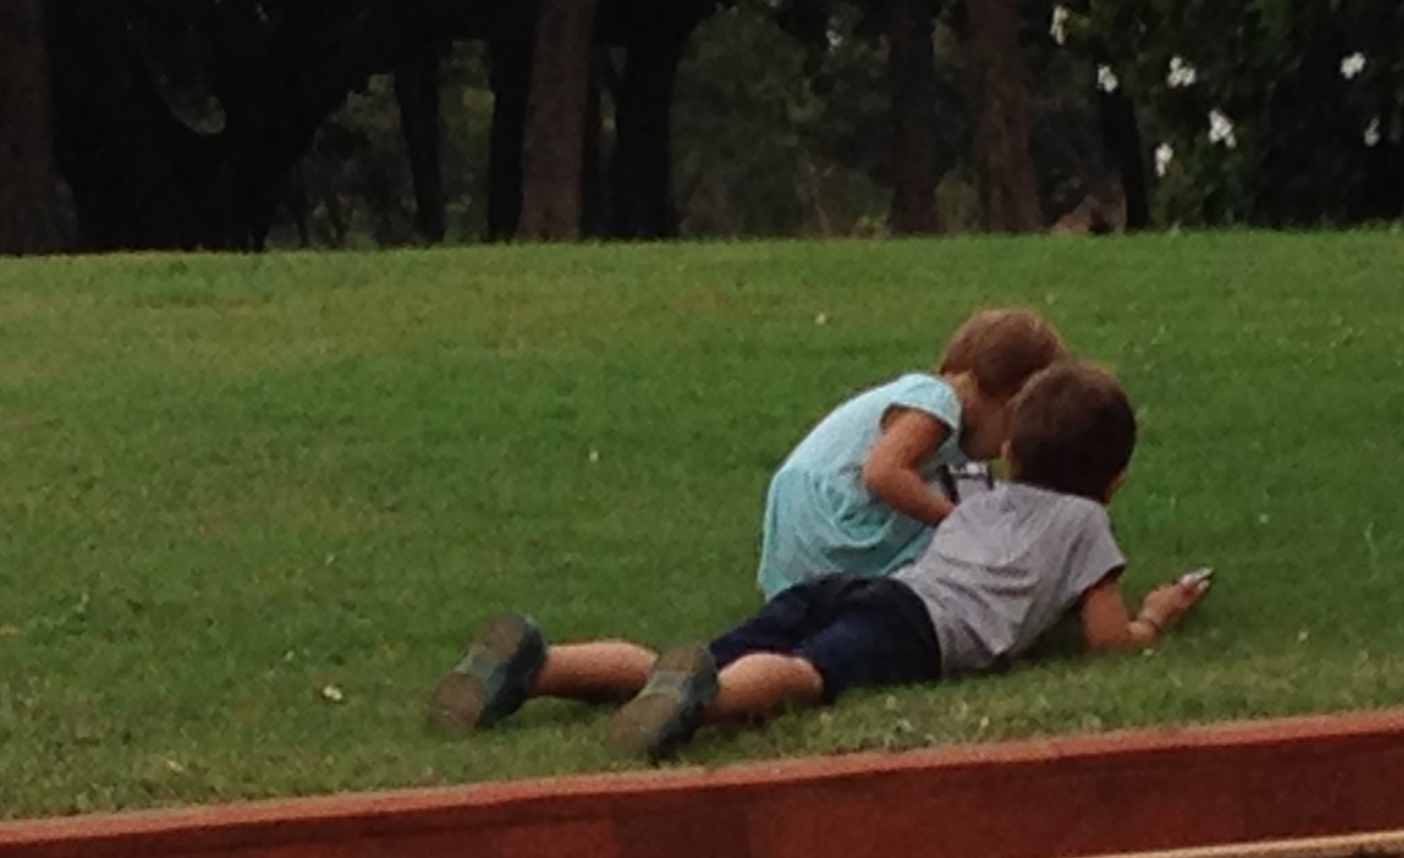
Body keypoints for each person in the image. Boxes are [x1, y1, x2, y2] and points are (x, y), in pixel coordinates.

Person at [431, 361, 1211, 761]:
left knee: (690, 658)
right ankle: (703, 704)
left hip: (850, 586)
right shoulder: (1086, 523)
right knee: (805, 675)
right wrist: (1154, 617)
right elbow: (1106, 639)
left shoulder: (984, 496)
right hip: (914, 626)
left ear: (1010, 454)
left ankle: (541, 666)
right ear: (1116, 481)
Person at [754, 307, 1065, 598]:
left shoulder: (943, 418)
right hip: (830, 514)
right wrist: (961, 523)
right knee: (954, 519)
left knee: (966, 500)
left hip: (806, 520)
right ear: (1001, 394)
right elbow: (882, 473)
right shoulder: (938, 400)